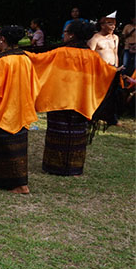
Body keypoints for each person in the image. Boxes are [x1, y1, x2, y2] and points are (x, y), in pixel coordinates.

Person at [26, 20, 119, 176]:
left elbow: (37, 60)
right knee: (77, 134)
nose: (65, 35)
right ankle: (74, 167)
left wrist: (19, 54)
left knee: (58, 131)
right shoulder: (92, 56)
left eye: (66, 32)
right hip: (81, 102)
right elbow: (108, 73)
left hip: (59, 100)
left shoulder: (61, 53)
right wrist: (118, 73)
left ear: (72, 35)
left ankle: (54, 166)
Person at [0, 26, 40, 194]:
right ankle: (16, 181)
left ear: (2, 39)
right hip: (21, 107)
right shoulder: (24, 58)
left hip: (5, 109)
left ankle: (19, 184)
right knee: (18, 146)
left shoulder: (3, 60)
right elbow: (34, 84)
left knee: (7, 146)